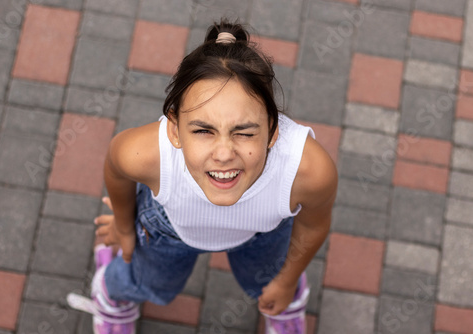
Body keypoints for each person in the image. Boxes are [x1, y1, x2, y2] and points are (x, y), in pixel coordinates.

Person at [67, 19, 337, 334]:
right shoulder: (143, 153)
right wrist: (125, 227)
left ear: (273, 132)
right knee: (146, 280)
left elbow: (314, 225)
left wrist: (287, 281)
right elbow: (116, 170)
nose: (223, 154)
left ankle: (286, 299)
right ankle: (113, 297)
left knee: (273, 281)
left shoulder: (307, 170)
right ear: (174, 130)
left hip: (264, 232)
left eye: (244, 133)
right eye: (203, 131)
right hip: (167, 230)